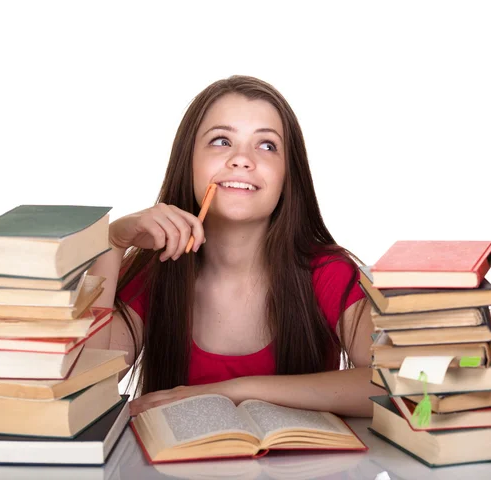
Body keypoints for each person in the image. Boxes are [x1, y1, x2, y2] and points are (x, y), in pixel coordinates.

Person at [87, 75, 383, 416]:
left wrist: (234, 391)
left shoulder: (328, 273)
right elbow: (88, 393)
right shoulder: (153, 273)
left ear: (289, 175)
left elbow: (392, 385)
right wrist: (111, 243)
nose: (241, 159)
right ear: (189, 162)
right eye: (221, 141)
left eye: (267, 145)